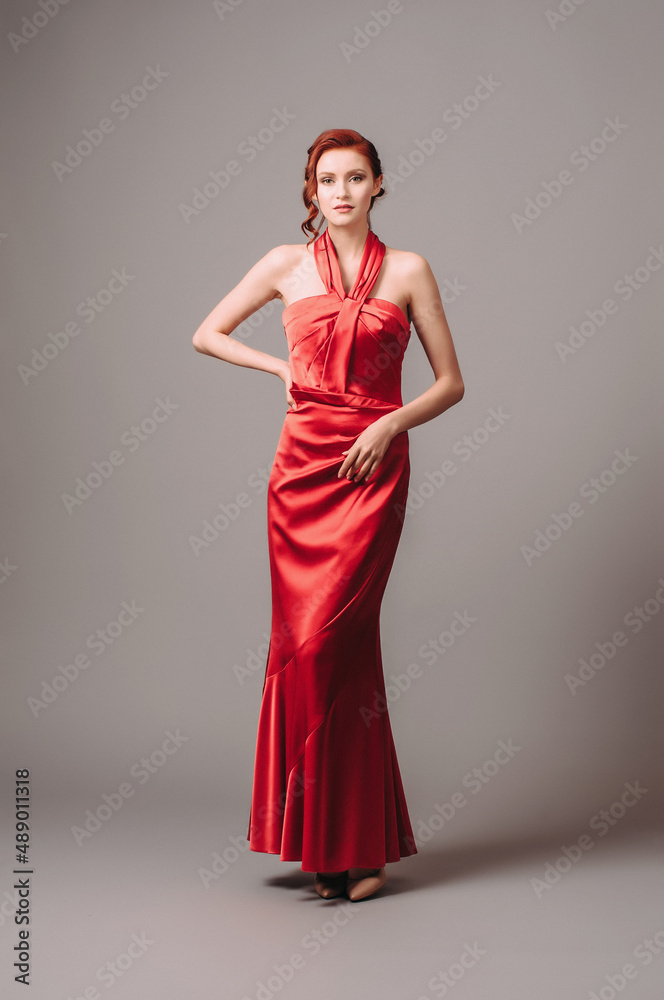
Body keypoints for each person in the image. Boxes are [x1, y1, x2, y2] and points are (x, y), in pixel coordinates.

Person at [192, 128, 465, 902]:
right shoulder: (284, 265)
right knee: (304, 651)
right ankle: (329, 842)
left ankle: (355, 848)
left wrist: (389, 423)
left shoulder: (409, 270)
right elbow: (206, 333)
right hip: (302, 473)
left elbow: (451, 383)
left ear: (379, 184)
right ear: (311, 191)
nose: (340, 191)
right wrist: (280, 365)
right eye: (326, 180)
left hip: (373, 471)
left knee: (340, 648)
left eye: (355, 177)